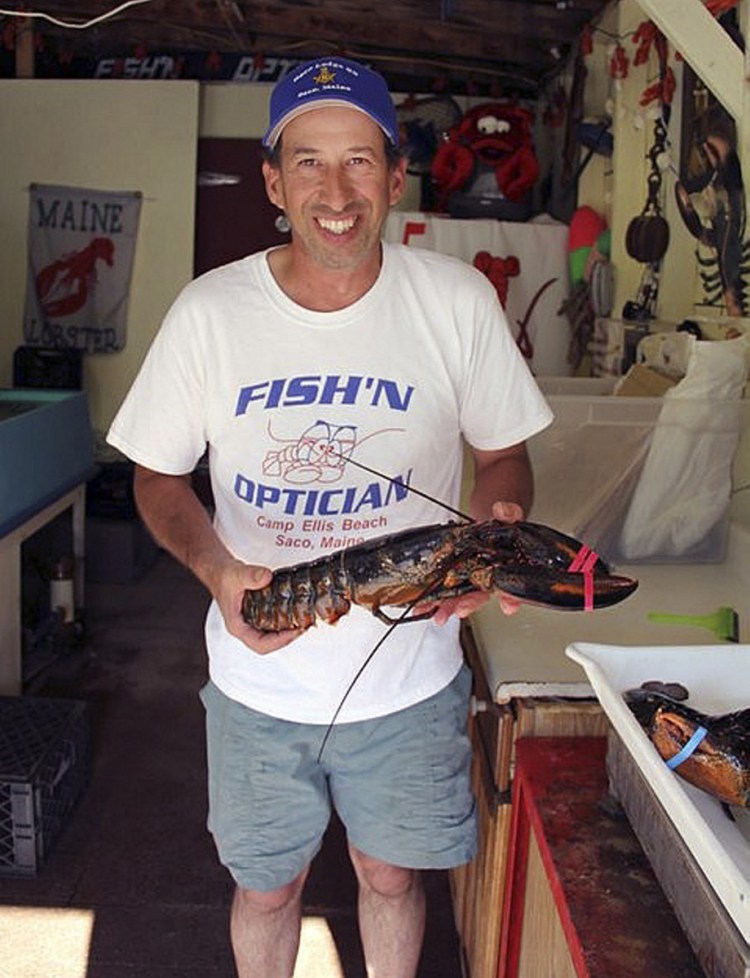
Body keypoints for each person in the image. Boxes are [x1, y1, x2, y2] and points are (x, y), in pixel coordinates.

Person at [107, 56, 553, 978]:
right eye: (308, 161)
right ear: (273, 180)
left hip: (410, 678)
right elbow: (157, 479)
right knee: (267, 887)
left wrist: (489, 541)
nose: (336, 191)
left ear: (397, 176)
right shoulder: (209, 313)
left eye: (359, 161)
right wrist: (216, 573)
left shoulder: (458, 302)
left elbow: (504, 452)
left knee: (390, 877)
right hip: (256, 683)